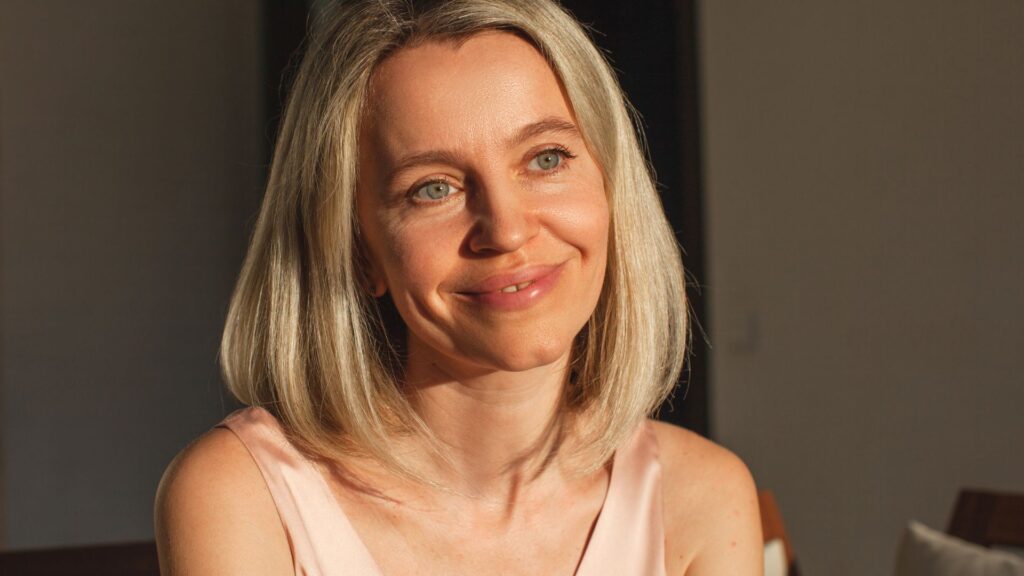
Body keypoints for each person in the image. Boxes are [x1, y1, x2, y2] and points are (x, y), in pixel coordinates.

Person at [155, 0, 762, 574]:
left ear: (611, 188)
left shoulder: (700, 496)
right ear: (357, 250)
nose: (505, 229)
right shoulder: (242, 494)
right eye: (433, 188)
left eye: (546, 159)